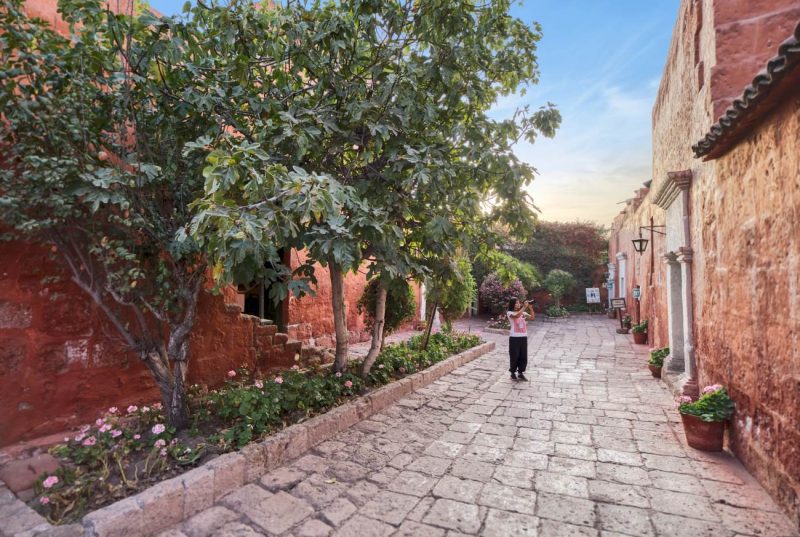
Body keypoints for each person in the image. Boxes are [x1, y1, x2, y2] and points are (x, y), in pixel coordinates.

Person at [507, 297, 534, 381]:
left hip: (523, 337)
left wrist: (530, 308)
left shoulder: (523, 312)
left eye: (519, 302)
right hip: (514, 337)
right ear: (512, 304)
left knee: (523, 356)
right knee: (514, 355)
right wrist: (524, 307)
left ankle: (520, 373)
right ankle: (512, 373)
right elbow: (516, 315)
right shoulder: (509, 312)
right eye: (516, 303)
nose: (518, 304)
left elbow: (532, 318)